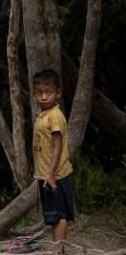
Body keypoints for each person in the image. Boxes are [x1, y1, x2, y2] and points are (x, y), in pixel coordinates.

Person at [31, 69, 75, 242]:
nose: (44, 97)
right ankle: (57, 248)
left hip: (56, 174)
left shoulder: (55, 116)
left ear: (58, 93)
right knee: (53, 213)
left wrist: (50, 174)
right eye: (40, 93)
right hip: (45, 174)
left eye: (48, 93)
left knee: (60, 213)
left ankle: (59, 249)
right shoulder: (43, 114)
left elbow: (57, 145)